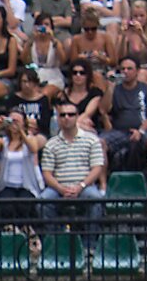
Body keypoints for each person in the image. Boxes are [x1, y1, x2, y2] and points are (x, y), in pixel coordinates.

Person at [39, 101, 105, 241]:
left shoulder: (91, 140)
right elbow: (47, 173)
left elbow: (97, 167)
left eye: (71, 114)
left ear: (77, 117)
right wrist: (61, 188)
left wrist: (80, 186)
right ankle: (53, 242)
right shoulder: (51, 144)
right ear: (58, 118)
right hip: (58, 188)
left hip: (85, 186)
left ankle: (90, 245)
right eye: (63, 115)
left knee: (96, 199)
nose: (66, 118)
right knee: (43, 200)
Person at [100, 56, 147, 172]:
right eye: (123, 69)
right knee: (99, 142)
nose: (125, 71)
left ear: (137, 71)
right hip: (119, 132)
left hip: (143, 130)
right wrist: (110, 88)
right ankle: (103, 185)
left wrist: (140, 131)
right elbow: (103, 109)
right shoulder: (115, 89)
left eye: (129, 69)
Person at [0, 110, 45, 224]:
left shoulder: (30, 139)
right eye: (11, 121)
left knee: (23, 207)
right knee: (7, 207)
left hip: (26, 185)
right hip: (8, 185)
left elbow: (33, 149)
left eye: (17, 121)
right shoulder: (3, 142)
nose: (13, 124)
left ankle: (26, 233)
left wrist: (21, 131)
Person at [25, 14, 66, 97]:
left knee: (44, 94)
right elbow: (24, 60)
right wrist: (31, 40)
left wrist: (52, 38)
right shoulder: (31, 42)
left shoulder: (55, 42)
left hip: (53, 77)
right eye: (40, 25)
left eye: (46, 24)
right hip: (35, 75)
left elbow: (63, 60)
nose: (43, 27)